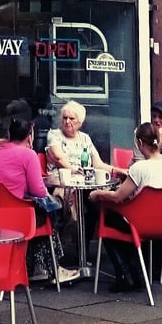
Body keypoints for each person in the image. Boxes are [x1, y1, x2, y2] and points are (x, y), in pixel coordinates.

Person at [0, 116, 80, 286]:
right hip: (15, 217)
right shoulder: (28, 154)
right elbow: (38, 191)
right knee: (49, 213)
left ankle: (37, 267)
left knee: (39, 211)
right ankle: (53, 268)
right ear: (29, 136)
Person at [89, 121, 162, 292]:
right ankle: (136, 270)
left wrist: (98, 193)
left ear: (139, 143)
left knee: (108, 217)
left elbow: (117, 197)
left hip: (144, 225)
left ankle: (127, 275)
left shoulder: (139, 168)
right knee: (119, 219)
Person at [44, 100, 114, 269]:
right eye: (65, 118)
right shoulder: (54, 135)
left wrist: (118, 170)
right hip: (63, 182)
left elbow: (98, 164)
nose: (67, 122)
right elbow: (59, 157)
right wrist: (74, 169)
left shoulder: (85, 139)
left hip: (85, 184)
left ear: (80, 122)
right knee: (70, 205)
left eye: (72, 119)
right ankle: (61, 253)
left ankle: (82, 252)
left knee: (97, 205)